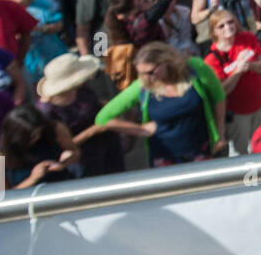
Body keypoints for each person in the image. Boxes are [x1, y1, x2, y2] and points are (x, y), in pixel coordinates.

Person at [91, 41, 226, 166]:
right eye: (141, 73)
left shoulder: (195, 68)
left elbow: (218, 98)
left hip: (201, 148)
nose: (145, 78)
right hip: (165, 155)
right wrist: (140, 130)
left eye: (150, 72)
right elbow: (102, 119)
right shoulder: (142, 86)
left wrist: (220, 135)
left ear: (166, 62)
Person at [35, 52, 122, 178]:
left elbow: (96, 103)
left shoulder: (81, 89)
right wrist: (94, 130)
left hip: (107, 144)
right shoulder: (48, 111)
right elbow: (62, 146)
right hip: (83, 158)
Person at [202, 9, 261, 155]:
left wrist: (250, 65)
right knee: (240, 151)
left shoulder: (247, 38)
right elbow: (221, 91)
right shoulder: (212, 59)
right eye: (221, 26)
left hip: (260, 104)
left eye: (231, 22)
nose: (228, 27)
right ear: (213, 31)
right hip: (238, 113)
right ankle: (247, 177)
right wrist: (238, 70)